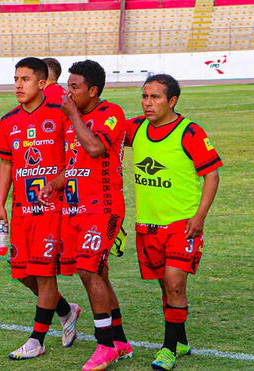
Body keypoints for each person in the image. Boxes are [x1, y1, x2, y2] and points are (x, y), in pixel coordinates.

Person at [125, 74, 222, 371]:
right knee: (165, 287)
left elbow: (212, 175)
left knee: (175, 283)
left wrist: (199, 217)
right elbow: (103, 136)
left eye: (155, 97)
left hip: (182, 225)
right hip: (148, 225)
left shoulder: (189, 132)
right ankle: (180, 340)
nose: (147, 103)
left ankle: (168, 350)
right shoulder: (136, 129)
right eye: (144, 96)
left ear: (172, 101)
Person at [41, 60, 132, 370]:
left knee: (88, 270)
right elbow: (76, 164)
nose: (69, 92)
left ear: (93, 91)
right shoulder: (73, 120)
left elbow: (94, 149)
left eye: (75, 87)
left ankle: (104, 344)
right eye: (68, 85)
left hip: (104, 207)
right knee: (99, 272)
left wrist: (72, 115)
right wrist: (54, 184)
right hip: (76, 208)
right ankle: (119, 340)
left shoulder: (111, 113)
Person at [0, 57, 81, 360]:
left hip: (52, 209)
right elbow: (6, 163)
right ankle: (67, 311)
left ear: (42, 84)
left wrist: (58, 181)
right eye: (16, 78)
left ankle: (37, 340)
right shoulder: (7, 120)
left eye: (25, 79)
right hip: (21, 211)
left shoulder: (60, 115)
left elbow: (76, 157)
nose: (18, 85)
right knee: (21, 272)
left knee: (44, 275)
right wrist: (0, 205)